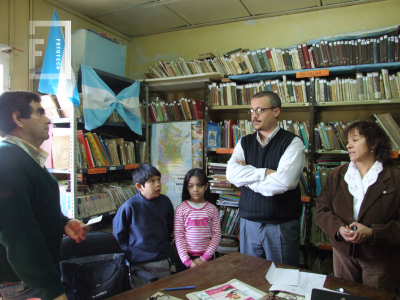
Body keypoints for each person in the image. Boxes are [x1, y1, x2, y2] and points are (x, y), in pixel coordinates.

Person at [0, 91, 88, 300]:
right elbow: (20, 234)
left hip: (32, 281)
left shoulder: (24, 158)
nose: (48, 119)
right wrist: (51, 288)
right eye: (40, 112)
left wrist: (62, 223)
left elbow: (31, 208)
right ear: (18, 118)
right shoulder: (8, 162)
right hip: (25, 283)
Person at [315, 120, 400, 293]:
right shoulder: (337, 175)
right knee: (345, 295)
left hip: (379, 256)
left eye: (355, 140)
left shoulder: (395, 178)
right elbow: (322, 209)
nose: (348, 145)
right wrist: (338, 229)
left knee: (376, 297)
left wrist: (373, 233)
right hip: (343, 253)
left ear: (374, 143)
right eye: (348, 141)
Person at [226, 91, 305, 267]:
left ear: (276, 112)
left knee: (282, 281)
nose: (254, 115)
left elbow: (284, 183)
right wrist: (265, 173)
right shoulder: (244, 142)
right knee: (250, 279)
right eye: (252, 110)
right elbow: (231, 174)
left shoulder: (292, 143)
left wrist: (247, 178)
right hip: (249, 224)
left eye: (260, 110)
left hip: (280, 226)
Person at [113, 163, 174, 288]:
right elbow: (119, 234)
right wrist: (130, 251)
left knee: (165, 292)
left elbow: (169, 227)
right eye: (151, 181)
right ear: (139, 186)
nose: (158, 184)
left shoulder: (165, 202)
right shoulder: (130, 206)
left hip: (161, 259)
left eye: (158, 180)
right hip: (139, 263)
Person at [174, 168, 221, 272]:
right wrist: (187, 261)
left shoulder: (212, 209)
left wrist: (205, 258)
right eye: (191, 186)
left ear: (206, 187)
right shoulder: (181, 209)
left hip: (206, 259)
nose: (195, 189)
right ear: (187, 188)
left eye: (199, 185)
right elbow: (179, 236)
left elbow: (216, 235)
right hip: (185, 260)